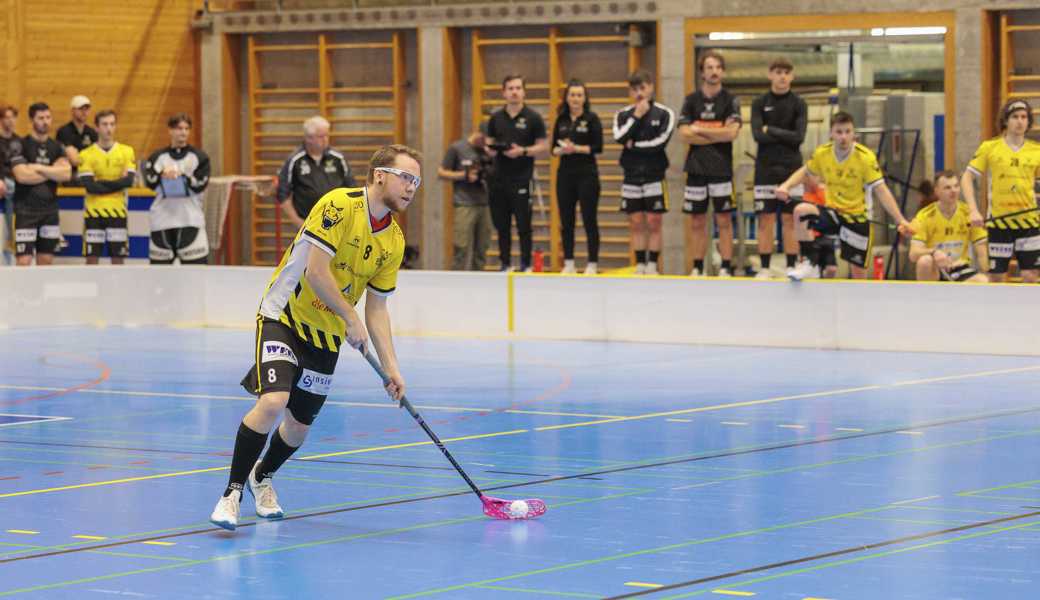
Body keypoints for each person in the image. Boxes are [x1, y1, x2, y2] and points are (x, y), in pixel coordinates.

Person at [209, 144, 421, 531]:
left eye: (416, 182)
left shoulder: (393, 240)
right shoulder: (339, 205)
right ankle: (232, 492)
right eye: (406, 177)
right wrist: (348, 315)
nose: (411, 187)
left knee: (298, 426)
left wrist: (392, 369)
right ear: (379, 175)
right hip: (284, 315)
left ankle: (263, 476)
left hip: (326, 337)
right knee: (273, 400)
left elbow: (377, 309)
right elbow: (315, 272)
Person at [776, 111, 912, 280]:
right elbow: (805, 171)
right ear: (831, 134)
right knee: (801, 211)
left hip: (857, 218)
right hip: (833, 213)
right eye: (839, 132)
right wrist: (786, 186)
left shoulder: (865, 158)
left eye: (848, 132)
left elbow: (882, 191)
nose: (844, 137)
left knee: (858, 274)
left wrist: (901, 220)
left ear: (854, 133)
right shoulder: (822, 153)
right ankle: (809, 263)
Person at [962, 99, 1040, 283]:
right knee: (996, 276)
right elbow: (966, 178)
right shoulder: (990, 148)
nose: (1020, 121)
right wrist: (973, 210)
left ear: (1028, 121)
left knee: (1031, 275)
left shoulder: (1036, 150)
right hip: (999, 223)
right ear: (1006, 120)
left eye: (1024, 117)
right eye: (1015, 117)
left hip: (1029, 224)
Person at [678, 50, 741, 277]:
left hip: (721, 168)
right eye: (709, 68)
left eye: (717, 67)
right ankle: (697, 267)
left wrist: (701, 129)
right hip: (696, 168)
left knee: (723, 219)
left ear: (722, 71)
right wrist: (717, 130)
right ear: (702, 72)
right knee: (697, 220)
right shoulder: (691, 100)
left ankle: (725, 266)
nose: (714, 72)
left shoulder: (731, 100)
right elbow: (684, 135)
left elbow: (731, 134)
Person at [750, 57, 808, 279]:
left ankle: (791, 266)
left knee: (790, 219)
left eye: (786, 72)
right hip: (764, 168)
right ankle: (764, 268)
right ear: (770, 75)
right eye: (777, 72)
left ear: (792, 76)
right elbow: (757, 135)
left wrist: (771, 129)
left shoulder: (799, 103)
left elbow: (799, 138)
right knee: (765, 219)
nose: (782, 76)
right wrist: (785, 135)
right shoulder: (759, 102)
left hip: (792, 170)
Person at [613, 69, 675, 275]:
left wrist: (634, 145)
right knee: (636, 221)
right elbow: (620, 138)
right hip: (630, 176)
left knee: (654, 221)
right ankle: (640, 264)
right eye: (635, 89)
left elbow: (660, 143)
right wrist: (637, 116)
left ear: (651, 87)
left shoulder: (665, 113)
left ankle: (652, 265)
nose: (639, 93)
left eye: (643, 88)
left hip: (655, 175)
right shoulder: (622, 115)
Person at [486, 74, 549, 272]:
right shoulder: (495, 118)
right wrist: (494, 148)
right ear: (504, 92)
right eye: (510, 88)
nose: (514, 92)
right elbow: (488, 145)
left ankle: (526, 264)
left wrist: (522, 151)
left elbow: (544, 146)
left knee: (523, 224)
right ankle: (504, 263)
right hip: (498, 179)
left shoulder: (533, 118)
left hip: (522, 178)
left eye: (518, 88)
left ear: (524, 91)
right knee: (502, 225)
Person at [141, 114, 212, 264]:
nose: (183, 132)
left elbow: (200, 185)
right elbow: (150, 182)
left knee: (196, 274)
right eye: (179, 128)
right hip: (162, 221)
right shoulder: (157, 157)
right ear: (170, 130)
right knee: (159, 277)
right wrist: (162, 175)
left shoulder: (200, 157)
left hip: (190, 220)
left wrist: (182, 177)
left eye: (187, 128)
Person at [552, 78, 604, 274]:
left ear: (585, 98)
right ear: (566, 98)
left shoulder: (592, 119)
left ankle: (592, 263)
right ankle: (569, 262)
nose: (575, 98)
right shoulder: (561, 120)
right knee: (567, 221)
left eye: (579, 95)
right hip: (565, 175)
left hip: (587, 174)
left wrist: (577, 148)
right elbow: (553, 150)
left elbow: (598, 147)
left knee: (589, 219)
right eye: (572, 95)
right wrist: (562, 150)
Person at [10, 102, 71, 266]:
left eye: (48, 117)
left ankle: (40, 293)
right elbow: (22, 175)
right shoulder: (19, 144)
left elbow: (66, 174)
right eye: (41, 118)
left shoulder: (57, 147)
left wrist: (37, 167)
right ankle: (21, 293)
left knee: (46, 261)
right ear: (32, 120)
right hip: (26, 211)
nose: (45, 121)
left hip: (50, 212)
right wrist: (52, 172)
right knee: (24, 261)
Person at [77, 110, 136, 265]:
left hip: (118, 212)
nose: (108, 128)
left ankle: (116, 290)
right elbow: (90, 186)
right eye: (104, 124)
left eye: (112, 124)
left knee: (118, 260)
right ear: (96, 128)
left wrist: (100, 182)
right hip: (93, 213)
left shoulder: (126, 151)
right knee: (91, 260)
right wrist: (118, 182)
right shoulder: (85, 154)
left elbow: (128, 181)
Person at [908, 171, 988, 282]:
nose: (953, 191)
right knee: (924, 261)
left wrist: (987, 273)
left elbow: (981, 250)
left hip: (959, 268)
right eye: (947, 188)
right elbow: (913, 254)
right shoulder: (925, 215)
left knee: (982, 280)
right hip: (936, 268)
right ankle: (926, 297)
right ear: (937, 191)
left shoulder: (968, 213)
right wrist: (934, 252)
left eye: (956, 186)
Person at [276, 116, 355, 229]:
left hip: (337, 222)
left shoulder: (338, 158)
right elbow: (282, 194)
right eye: (321, 136)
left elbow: (352, 189)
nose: (325, 139)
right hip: (308, 223)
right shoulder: (295, 160)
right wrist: (298, 222)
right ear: (309, 138)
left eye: (327, 135)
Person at [438, 123, 492, 271]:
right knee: (461, 246)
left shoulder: (488, 151)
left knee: (482, 247)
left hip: (485, 203)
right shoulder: (457, 148)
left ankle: (478, 280)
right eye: (485, 139)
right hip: (464, 203)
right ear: (478, 133)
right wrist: (465, 175)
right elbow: (442, 172)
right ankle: (456, 280)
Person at [55, 95, 98, 173]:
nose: (84, 112)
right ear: (72, 110)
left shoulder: (92, 132)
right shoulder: (64, 132)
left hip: (90, 172)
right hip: (71, 173)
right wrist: (90, 158)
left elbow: (98, 158)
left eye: (87, 109)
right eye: (81, 109)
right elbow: (74, 161)